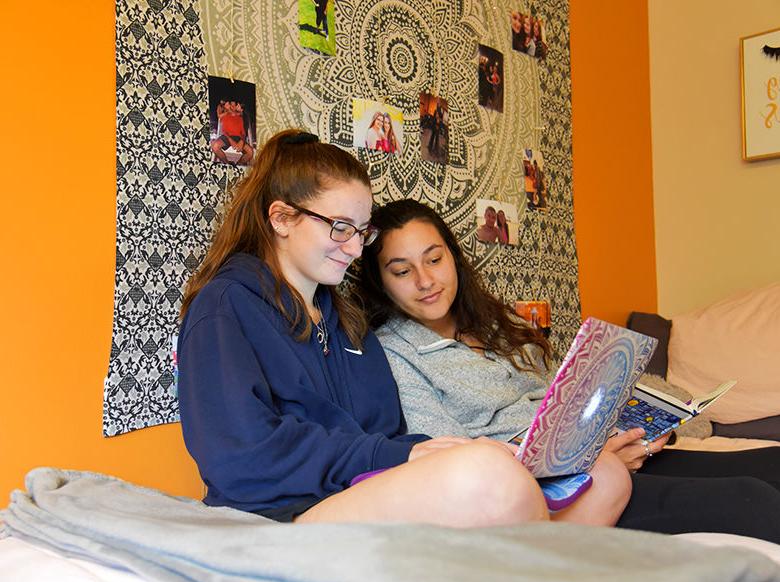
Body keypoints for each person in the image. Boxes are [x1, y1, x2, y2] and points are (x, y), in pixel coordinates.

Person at [176, 129, 630, 528]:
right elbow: (239, 457)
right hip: (277, 515)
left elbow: (386, 433)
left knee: (607, 478)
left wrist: (432, 451)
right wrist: (402, 456)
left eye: (361, 231)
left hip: (358, 491)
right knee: (488, 479)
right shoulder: (225, 307)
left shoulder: (345, 321)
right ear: (281, 218)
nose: (355, 249)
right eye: (339, 228)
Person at [357, 198, 780, 543]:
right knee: (752, 499)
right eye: (402, 270)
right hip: (552, 490)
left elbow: (566, 397)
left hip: (601, 456)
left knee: (772, 465)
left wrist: (625, 429)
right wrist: (578, 459)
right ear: (381, 281)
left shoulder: (498, 325)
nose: (425, 279)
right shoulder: (395, 354)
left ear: (453, 257)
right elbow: (448, 463)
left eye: (434, 259)